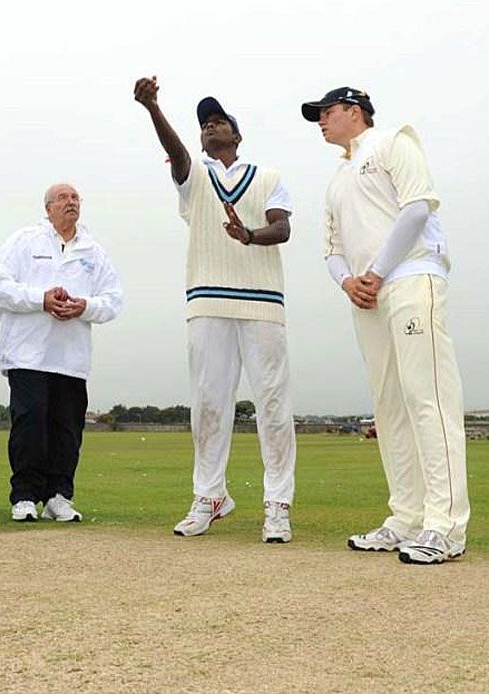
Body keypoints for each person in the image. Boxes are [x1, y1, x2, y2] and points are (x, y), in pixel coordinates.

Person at [301, 87, 470, 564]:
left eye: (326, 112)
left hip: (414, 276)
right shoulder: (336, 178)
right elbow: (331, 249)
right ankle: (406, 518)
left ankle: (445, 526)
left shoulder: (395, 140)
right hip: (367, 297)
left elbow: (418, 207)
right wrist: (349, 281)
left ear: (355, 112)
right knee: (390, 406)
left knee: (428, 398)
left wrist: (376, 271)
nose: (321, 121)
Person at [133, 77, 296, 542]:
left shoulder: (267, 178)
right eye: (204, 124)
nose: (210, 128)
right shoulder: (196, 176)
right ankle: (209, 496)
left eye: (219, 122)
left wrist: (248, 235)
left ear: (237, 135)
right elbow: (179, 157)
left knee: (272, 404)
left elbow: (281, 230)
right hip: (207, 298)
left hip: (262, 301)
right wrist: (153, 109)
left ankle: (278, 505)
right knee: (208, 402)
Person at [0, 183, 123, 522]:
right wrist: (41, 299)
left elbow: (113, 300)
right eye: (63, 198)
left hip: (71, 358)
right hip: (27, 353)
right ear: (47, 207)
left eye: (76, 197)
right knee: (30, 422)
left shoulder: (94, 252)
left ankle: (59, 496)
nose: (71, 202)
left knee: (67, 429)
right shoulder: (25, 241)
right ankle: (24, 497)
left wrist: (84, 306)